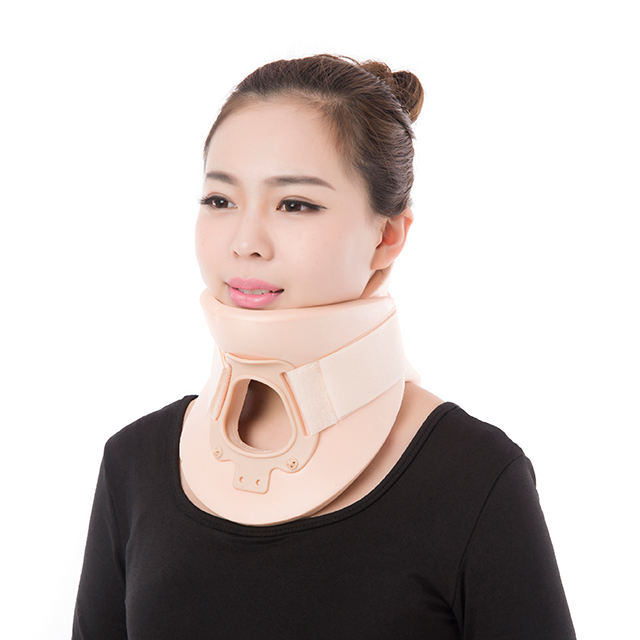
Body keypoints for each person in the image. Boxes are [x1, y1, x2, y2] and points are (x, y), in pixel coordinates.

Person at [72, 54, 577, 639]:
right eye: (220, 200)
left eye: (295, 204)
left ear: (387, 236)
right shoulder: (133, 463)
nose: (246, 242)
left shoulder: (474, 477)